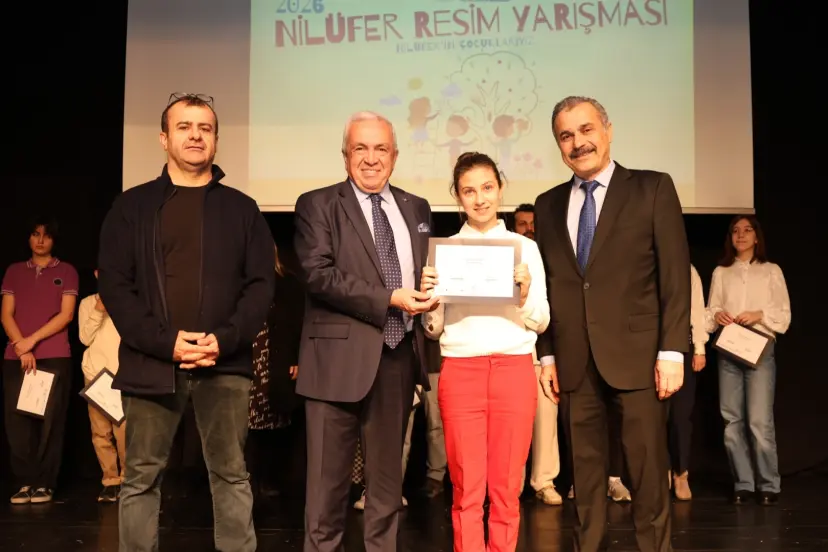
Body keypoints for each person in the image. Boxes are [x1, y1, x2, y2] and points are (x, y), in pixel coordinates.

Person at [97, 92, 275, 552]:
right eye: (184, 127)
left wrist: (224, 340)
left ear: (215, 140)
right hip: (151, 363)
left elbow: (260, 287)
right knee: (140, 477)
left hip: (225, 363)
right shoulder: (131, 207)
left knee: (231, 474)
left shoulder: (242, 209)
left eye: (205, 128)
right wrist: (167, 343)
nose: (195, 136)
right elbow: (116, 288)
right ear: (164, 138)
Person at [536, 96, 690, 552]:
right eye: (566, 135)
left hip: (640, 358)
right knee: (584, 480)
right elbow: (549, 284)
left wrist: (672, 351)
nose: (578, 142)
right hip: (574, 361)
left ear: (608, 130)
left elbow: (675, 276)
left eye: (586, 130)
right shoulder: (547, 204)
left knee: (646, 474)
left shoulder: (652, 188)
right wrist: (547, 354)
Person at [293, 111, 436, 552]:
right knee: (326, 493)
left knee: (387, 491)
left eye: (380, 149)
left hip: (397, 358)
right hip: (335, 363)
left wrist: (432, 287)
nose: (371, 158)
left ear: (395, 156)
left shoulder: (417, 207)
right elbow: (318, 274)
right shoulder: (317, 204)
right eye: (360, 148)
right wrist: (391, 297)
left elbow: (421, 273)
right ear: (345, 156)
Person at [421, 151, 550, 551]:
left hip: (514, 371)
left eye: (487, 188)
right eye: (469, 191)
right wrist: (430, 301)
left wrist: (523, 296)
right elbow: (432, 330)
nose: (480, 199)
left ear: (501, 188)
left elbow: (541, 320)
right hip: (461, 371)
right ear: (457, 197)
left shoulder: (524, 248)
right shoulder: (445, 252)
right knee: (466, 490)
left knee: (507, 489)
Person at [705, 215, 790, 506]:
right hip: (729, 349)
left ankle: (768, 484)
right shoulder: (721, 272)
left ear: (756, 237)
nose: (740, 235)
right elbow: (711, 310)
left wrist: (759, 315)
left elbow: (784, 314)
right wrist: (717, 315)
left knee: (759, 420)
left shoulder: (771, 271)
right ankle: (743, 483)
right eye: (735, 231)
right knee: (732, 420)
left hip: (759, 348)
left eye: (747, 230)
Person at [2, 217, 78, 504]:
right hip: (16, 356)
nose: (41, 240)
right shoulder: (14, 271)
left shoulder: (67, 271)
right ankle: (24, 482)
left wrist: (31, 341)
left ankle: (45, 483)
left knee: (50, 422)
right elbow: (6, 314)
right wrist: (21, 349)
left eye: (46, 235)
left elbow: (66, 315)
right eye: (35, 234)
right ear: (29, 238)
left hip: (53, 355)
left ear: (54, 240)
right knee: (18, 422)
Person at [78, 269, 126, 503]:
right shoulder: (87, 303)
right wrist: (99, 310)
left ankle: (128, 479)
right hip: (95, 376)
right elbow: (84, 338)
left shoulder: (128, 300)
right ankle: (110, 481)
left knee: (124, 431)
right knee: (100, 433)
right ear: (97, 274)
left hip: (121, 374)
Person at [667, 264, 708, 500]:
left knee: (680, 415)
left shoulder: (687, 268)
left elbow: (697, 308)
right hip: (647, 346)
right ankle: (660, 470)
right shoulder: (641, 259)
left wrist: (699, 348)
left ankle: (680, 472)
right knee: (653, 416)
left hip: (682, 344)